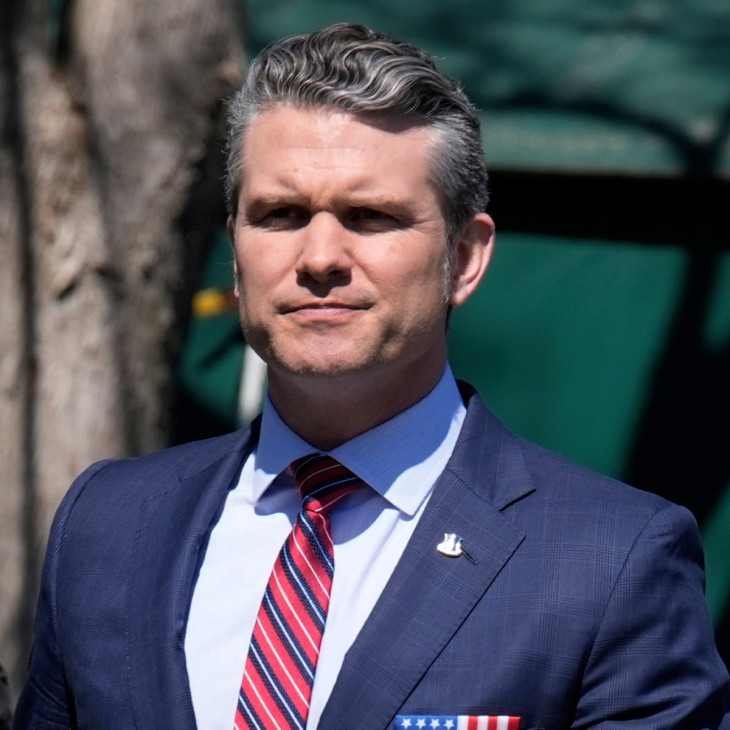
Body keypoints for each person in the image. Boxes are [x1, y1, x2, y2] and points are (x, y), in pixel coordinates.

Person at [13, 22, 730, 730]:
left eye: (370, 216)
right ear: (235, 252)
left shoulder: (609, 562)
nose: (320, 256)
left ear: (465, 257)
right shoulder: (108, 525)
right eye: (281, 214)